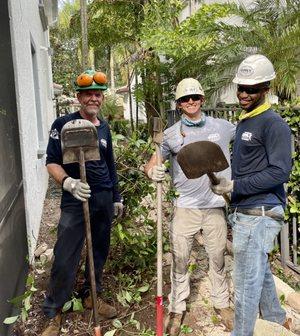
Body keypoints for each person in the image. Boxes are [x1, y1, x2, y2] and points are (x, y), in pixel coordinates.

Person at [145, 78, 236, 336]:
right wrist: (154, 172)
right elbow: (151, 165)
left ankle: (222, 303)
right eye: (185, 99)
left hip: (216, 205)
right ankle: (177, 306)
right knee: (181, 258)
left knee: (218, 256)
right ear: (179, 104)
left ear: (202, 99)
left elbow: (250, 143)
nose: (191, 102)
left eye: (195, 96)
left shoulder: (224, 127)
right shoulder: (171, 135)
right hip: (185, 207)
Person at [211, 54, 292, 336]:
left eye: (252, 89)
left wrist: (236, 187)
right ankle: (278, 319)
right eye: (241, 88)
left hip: (260, 214)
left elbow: (280, 172)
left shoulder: (273, 124)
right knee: (260, 272)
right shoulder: (246, 121)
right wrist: (228, 186)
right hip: (245, 212)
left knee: (246, 284)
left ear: (266, 89)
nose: (244, 94)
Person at [42, 69, 123, 336]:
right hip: (75, 198)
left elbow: (109, 164)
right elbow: (52, 162)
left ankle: (92, 295)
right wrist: (69, 183)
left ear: (102, 98)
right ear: (79, 97)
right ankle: (53, 311)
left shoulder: (104, 127)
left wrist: (116, 197)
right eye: (88, 94)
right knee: (66, 255)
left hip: (102, 197)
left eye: (97, 94)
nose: (93, 99)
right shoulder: (64, 125)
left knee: (98, 251)